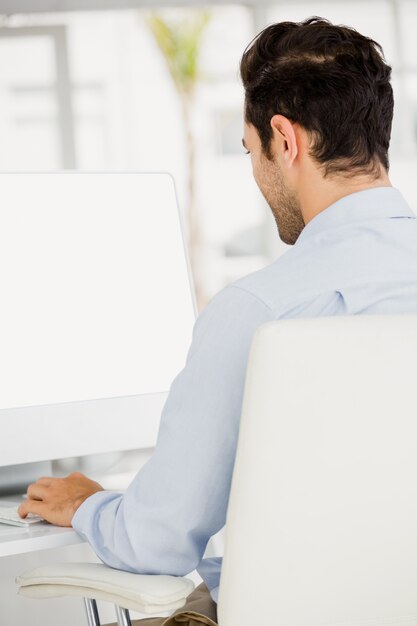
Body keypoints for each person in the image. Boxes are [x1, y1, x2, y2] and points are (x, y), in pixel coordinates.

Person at [18, 17, 417, 626]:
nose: (256, 173)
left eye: (250, 150)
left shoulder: (259, 313)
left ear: (285, 140)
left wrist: (90, 506)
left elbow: (158, 542)